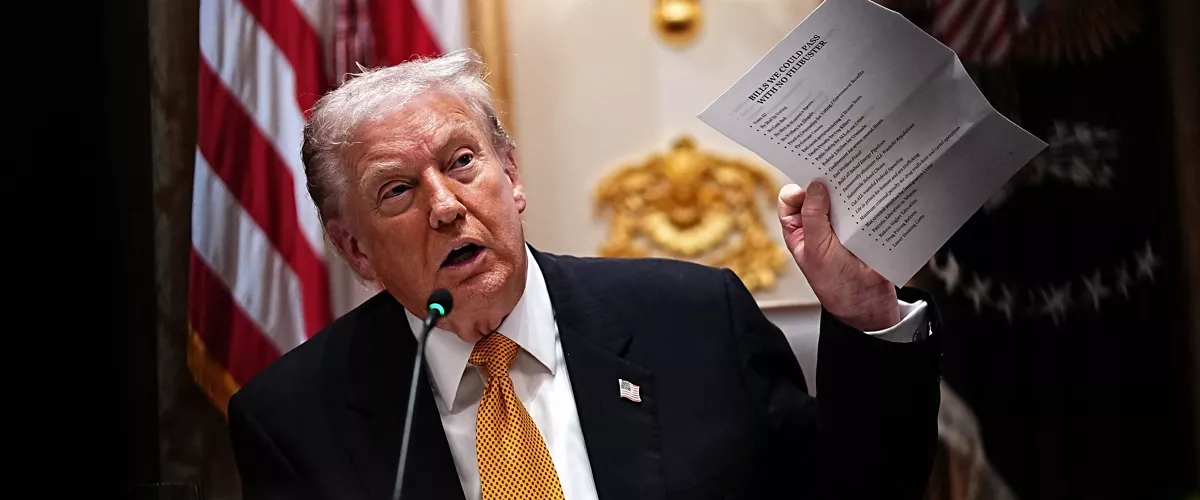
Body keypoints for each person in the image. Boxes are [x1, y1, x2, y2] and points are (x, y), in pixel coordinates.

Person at [228, 49, 942, 500]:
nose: (445, 206)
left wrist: (864, 316)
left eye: (462, 162)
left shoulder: (695, 320)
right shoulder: (294, 419)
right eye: (397, 191)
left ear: (511, 176)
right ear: (355, 251)